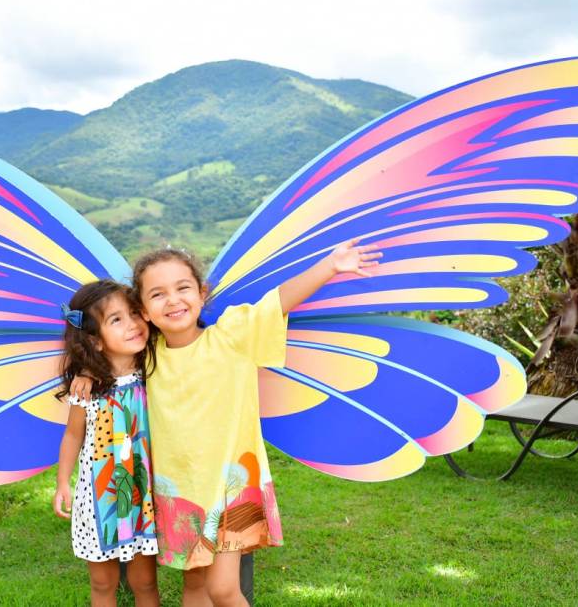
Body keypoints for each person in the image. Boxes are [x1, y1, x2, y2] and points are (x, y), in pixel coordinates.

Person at [75, 239, 380, 607]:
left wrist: (330, 266)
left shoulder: (232, 337)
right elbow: (110, 355)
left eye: (183, 288)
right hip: (181, 494)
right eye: (158, 294)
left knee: (222, 589)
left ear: (202, 294)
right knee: (194, 586)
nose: (173, 300)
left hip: (230, 487)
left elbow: (277, 302)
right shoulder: (147, 356)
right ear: (144, 310)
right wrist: (88, 374)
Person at [53, 280, 160, 607]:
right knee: (102, 583)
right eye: (117, 320)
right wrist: (62, 483)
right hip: (99, 498)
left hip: (144, 496)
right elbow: (73, 435)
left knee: (145, 582)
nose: (133, 325)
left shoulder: (156, 371)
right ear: (95, 341)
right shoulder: (88, 389)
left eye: (134, 314)